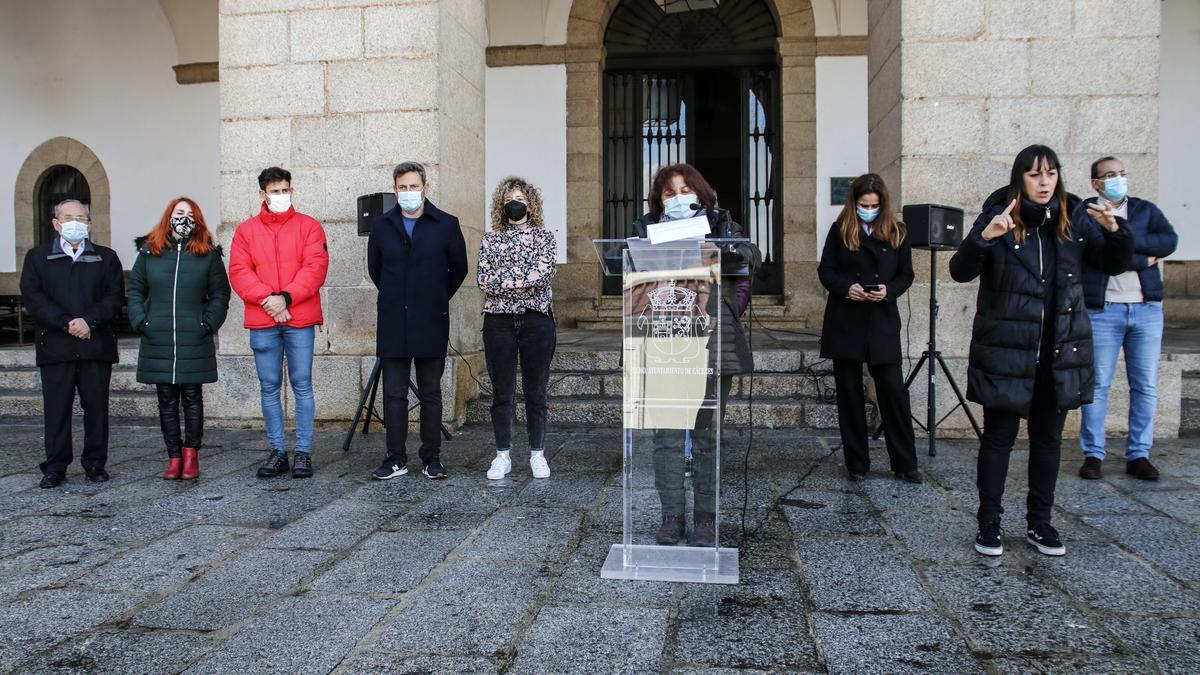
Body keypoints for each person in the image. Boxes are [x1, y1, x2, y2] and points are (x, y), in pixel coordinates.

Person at [950, 144, 1132, 558]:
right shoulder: (999, 215)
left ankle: (1040, 522)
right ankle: (990, 523)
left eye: (1050, 173)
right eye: (1034, 174)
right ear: (1020, 178)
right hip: (1008, 351)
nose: (1044, 181)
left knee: (1048, 440)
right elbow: (960, 271)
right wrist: (984, 237)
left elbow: (1112, 264)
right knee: (998, 438)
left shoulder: (1074, 218)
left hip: (1059, 350)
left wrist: (1116, 230)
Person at [632, 163, 757, 548]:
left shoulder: (723, 226)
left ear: (701, 194)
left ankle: (706, 517)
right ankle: (671, 516)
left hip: (712, 339)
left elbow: (748, 266)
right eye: (669, 192)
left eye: (686, 190)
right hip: (664, 341)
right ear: (658, 200)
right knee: (667, 436)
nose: (679, 198)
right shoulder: (645, 229)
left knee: (707, 435)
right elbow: (631, 274)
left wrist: (725, 308)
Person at [1078, 156, 1178, 481]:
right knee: (1099, 384)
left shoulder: (1145, 210)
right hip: (1103, 309)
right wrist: (1140, 258)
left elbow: (1169, 241)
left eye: (1121, 174)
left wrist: (1123, 239)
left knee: (1145, 385)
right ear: (1095, 182)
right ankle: (1093, 454)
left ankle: (1139, 454)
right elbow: (1096, 254)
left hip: (1146, 309)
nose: (1117, 179)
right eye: (1109, 175)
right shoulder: (1086, 213)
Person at [367, 161, 468, 481]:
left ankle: (431, 458)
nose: (408, 193)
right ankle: (395, 458)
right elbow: (375, 269)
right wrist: (400, 295)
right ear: (395, 190)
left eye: (413, 186)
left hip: (431, 319)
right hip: (393, 319)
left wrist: (435, 297)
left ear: (426, 188)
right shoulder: (382, 225)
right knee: (394, 393)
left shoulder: (446, 224)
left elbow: (459, 269)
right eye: (402, 187)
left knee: (430, 392)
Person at [817, 174, 920, 484]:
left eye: (874, 205)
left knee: (893, 392)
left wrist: (887, 290)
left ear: (883, 204)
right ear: (854, 203)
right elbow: (827, 270)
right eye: (864, 205)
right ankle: (856, 464)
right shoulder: (840, 230)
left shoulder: (898, 231)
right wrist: (848, 288)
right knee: (849, 395)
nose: (869, 209)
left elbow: (906, 274)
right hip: (846, 321)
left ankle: (905, 462)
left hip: (881, 322)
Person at [229, 167, 329, 479]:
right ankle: (276, 451)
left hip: (298, 316)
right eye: (275, 191)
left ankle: (302, 452)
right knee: (269, 386)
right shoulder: (246, 231)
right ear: (262, 194)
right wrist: (270, 300)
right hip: (264, 318)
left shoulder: (309, 227)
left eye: (285, 190)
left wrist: (285, 298)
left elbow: (315, 267)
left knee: (302, 384)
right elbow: (239, 271)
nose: (281, 196)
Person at [19, 199, 125, 488]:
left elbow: (114, 297)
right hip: (56, 346)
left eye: (81, 217)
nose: (75, 222)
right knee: (56, 410)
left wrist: (89, 321)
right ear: (56, 223)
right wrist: (67, 323)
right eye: (68, 217)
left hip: (95, 345)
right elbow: (34, 297)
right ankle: (55, 466)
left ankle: (95, 464)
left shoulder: (106, 257)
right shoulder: (38, 258)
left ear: (89, 224)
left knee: (97, 409)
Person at [127, 198, 231, 480]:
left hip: (193, 337)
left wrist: (207, 323)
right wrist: (141, 320)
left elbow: (220, 293)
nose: (184, 219)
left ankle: (191, 455)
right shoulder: (150, 253)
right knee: (166, 400)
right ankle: (173, 456)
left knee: (192, 398)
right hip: (157, 336)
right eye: (179, 213)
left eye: (190, 214)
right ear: (168, 217)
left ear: (197, 220)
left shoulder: (207, 255)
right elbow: (135, 289)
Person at [478, 177, 558, 480]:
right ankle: (503, 455)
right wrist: (521, 282)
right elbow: (484, 279)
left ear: (531, 202)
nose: (515, 201)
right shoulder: (491, 239)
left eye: (521, 196)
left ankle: (538, 453)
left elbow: (543, 274)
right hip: (498, 321)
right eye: (510, 196)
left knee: (536, 390)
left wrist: (506, 283)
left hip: (536, 319)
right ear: (502, 203)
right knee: (502, 391)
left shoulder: (545, 237)